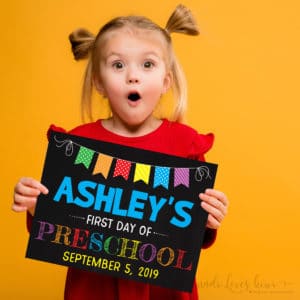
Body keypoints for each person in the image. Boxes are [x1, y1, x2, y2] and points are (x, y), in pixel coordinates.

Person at [12, 4, 228, 300]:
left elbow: (191, 235)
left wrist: (207, 218)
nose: (133, 77)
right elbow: (60, 226)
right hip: (93, 290)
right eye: (118, 65)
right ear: (99, 82)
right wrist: (38, 207)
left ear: (166, 81)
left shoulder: (186, 146)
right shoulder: (77, 147)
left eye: (147, 65)